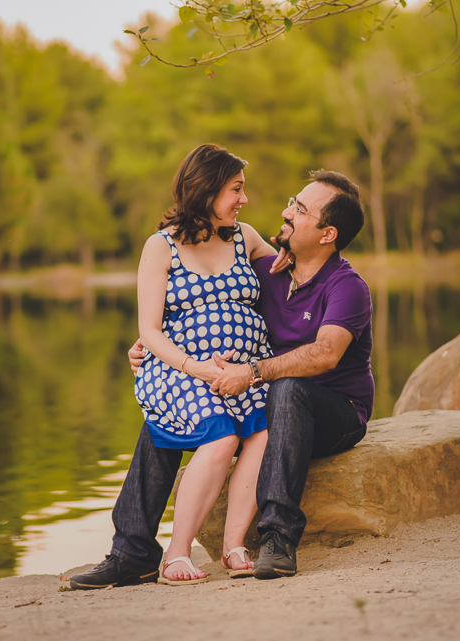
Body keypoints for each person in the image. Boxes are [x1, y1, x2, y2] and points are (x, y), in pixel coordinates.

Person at [69, 167, 372, 588]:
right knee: (168, 407)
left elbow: (324, 355)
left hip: (333, 410)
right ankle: (133, 550)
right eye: (293, 200)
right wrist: (150, 347)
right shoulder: (269, 270)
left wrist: (249, 373)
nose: (286, 211)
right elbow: (208, 304)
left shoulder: (347, 286)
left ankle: (278, 539)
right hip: (265, 395)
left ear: (327, 234)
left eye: (300, 210)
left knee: (284, 393)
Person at [123, 143, 282, 586]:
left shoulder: (245, 236)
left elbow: (291, 275)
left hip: (242, 370)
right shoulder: (161, 247)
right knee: (222, 435)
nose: (243, 200)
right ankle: (176, 555)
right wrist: (197, 367)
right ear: (208, 189)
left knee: (266, 432)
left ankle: (233, 546)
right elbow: (150, 331)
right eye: (236, 189)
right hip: (180, 370)